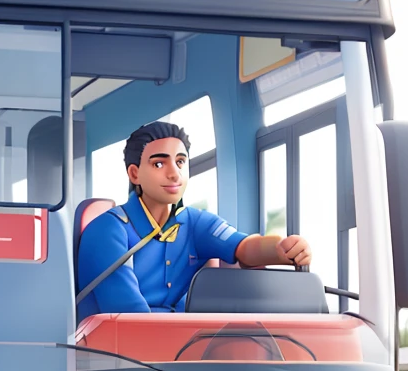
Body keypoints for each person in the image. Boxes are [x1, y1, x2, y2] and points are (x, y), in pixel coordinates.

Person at [77, 121, 311, 318]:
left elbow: (243, 246)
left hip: (181, 350)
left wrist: (281, 249)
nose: (174, 173)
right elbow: (127, 316)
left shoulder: (194, 222)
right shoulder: (107, 231)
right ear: (134, 174)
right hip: (112, 358)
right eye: (159, 163)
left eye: (180, 162)